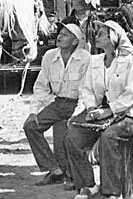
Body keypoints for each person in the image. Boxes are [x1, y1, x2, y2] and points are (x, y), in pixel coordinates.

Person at [65, 20, 133, 199]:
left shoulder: (130, 62)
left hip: (128, 115)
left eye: (103, 33)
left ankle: (113, 192)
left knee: (109, 137)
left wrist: (109, 111)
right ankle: (87, 183)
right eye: (98, 33)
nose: (97, 36)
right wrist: (92, 108)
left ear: (114, 38)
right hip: (100, 113)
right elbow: (86, 89)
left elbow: (132, 95)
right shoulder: (95, 61)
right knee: (72, 137)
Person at [23, 23, 90, 188]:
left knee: (62, 147)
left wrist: (76, 115)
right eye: (60, 33)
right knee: (30, 126)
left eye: (66, 34)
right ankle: (54, 170)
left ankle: (71, 177)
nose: (59, 36)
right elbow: (40, 86)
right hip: (57, 103)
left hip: (76, 105)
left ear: (75, 41)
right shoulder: (49, 56)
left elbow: (86, 89)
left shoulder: (85, 58)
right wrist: (34, 111)